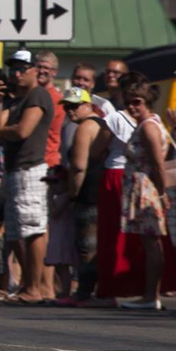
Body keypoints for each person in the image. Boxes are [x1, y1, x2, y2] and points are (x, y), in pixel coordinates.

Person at [0, 50, 54, 304]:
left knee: (33, 228)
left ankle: (35, 287)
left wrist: (1, 134)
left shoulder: (37, 95)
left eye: (21, 69)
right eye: (13, 69)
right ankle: (27, 283)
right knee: (16, 231)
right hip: (14, 169)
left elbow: (23, 130)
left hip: (31, 168)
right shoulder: (15, 99)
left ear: (34, 70)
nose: (16, 74)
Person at [49, 87, 108, 305]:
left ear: (88, 105)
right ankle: (98, 290)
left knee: (87, 246)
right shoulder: (103, 124)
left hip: (88, 194)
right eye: (67, 107)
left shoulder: (85, 127)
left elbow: (79, 167)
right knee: (98, 245)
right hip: (101, 192)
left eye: (75, 106)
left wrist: (72, 195)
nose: (70, 111)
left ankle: (84, 292)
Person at [118, 81, 173, 310]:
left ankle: (152, 296)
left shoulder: (149, 126)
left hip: (147, 189)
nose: (132, 106)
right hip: (143, 187)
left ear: (147, 102)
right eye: (129, 102)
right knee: (148, 242)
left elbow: (158, 165)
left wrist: (162, 193)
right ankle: (149, 294)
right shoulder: (150, 123)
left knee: (152, 243)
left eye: (137, 102)